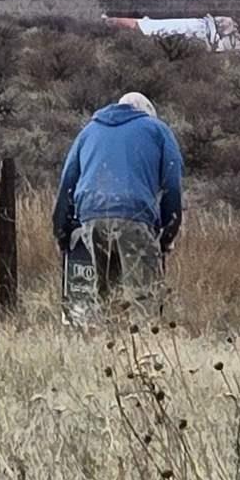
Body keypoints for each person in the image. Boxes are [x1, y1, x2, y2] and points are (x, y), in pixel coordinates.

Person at [51, 90, 183, 323]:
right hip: (135, 215)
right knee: (144, 296)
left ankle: (109, 348)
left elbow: (68, 182)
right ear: (146, 114)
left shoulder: (89, 131)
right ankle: (144, 354)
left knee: (106, 294)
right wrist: (166, 236)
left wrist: (62, 232)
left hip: (91, 216)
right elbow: (172, 185)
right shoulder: (158, 130)